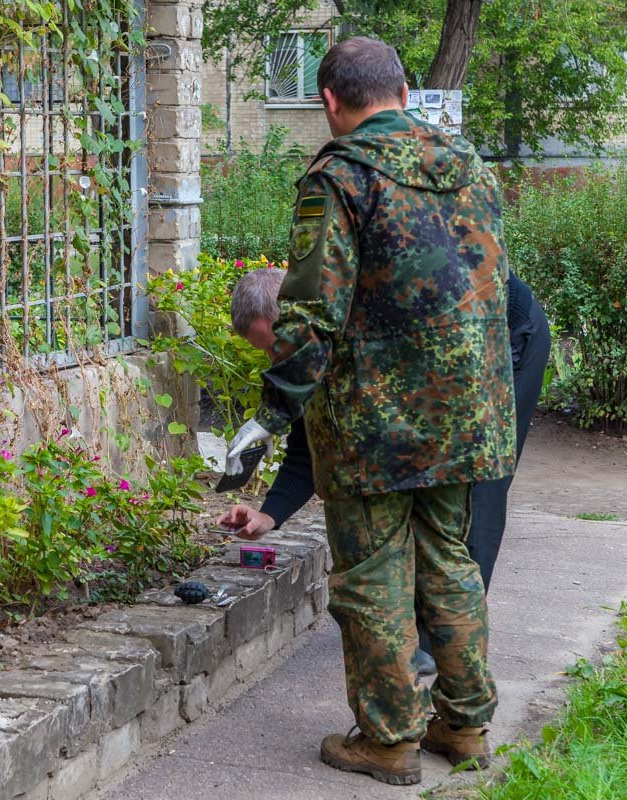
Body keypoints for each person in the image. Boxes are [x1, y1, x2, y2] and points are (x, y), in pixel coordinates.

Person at [222, 37, 518, 786]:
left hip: (377, 425)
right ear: (407, 91)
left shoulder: (340, 177)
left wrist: (270, 417)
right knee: (450, 563)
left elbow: (313, 313)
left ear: (329, 102)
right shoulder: (472, 168)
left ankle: (388, 739)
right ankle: (465, 723)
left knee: (374, 578)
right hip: (470, 413)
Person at [219, 266, 551, 668]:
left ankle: (447, 651)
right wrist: (268, 515)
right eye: (268, 353)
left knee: (472, 480)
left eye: (276, 347)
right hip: (436, 347)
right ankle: (417, 632)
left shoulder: (367, 317)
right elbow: (312, 443)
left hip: (500, 332)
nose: (278, 360)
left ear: (295, 319)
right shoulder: (313, 344)